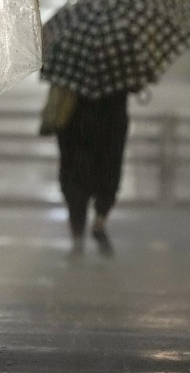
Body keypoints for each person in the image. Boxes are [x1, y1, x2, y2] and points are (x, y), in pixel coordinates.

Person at [51, 91, 129, 260]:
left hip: (75, 123)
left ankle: (78, 238)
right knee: (108, 176)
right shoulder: (118, 72)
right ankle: (99, 222)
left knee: (75, 182)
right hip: (111, 125)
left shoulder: (71, 72)